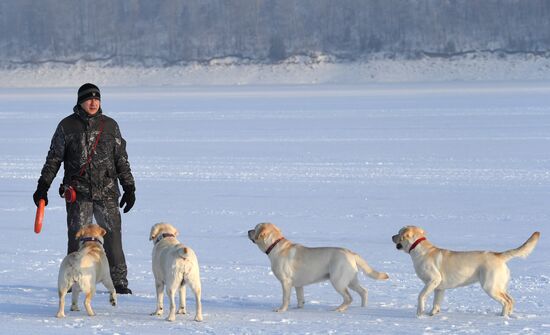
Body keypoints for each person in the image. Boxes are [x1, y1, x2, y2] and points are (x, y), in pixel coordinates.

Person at [33, 83, 135, 294]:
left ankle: (119, 283)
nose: (93, 102)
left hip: (107, 192)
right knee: (77, 238)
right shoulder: (66, 126)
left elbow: (121, 159)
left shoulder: (110, 126)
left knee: (113, 237)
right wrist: (43, 186)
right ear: (80, 101)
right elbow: (53, 159)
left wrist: (129, 187)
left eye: (96, 99)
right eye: (89, 99)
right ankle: (73, 280)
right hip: (78, 193)